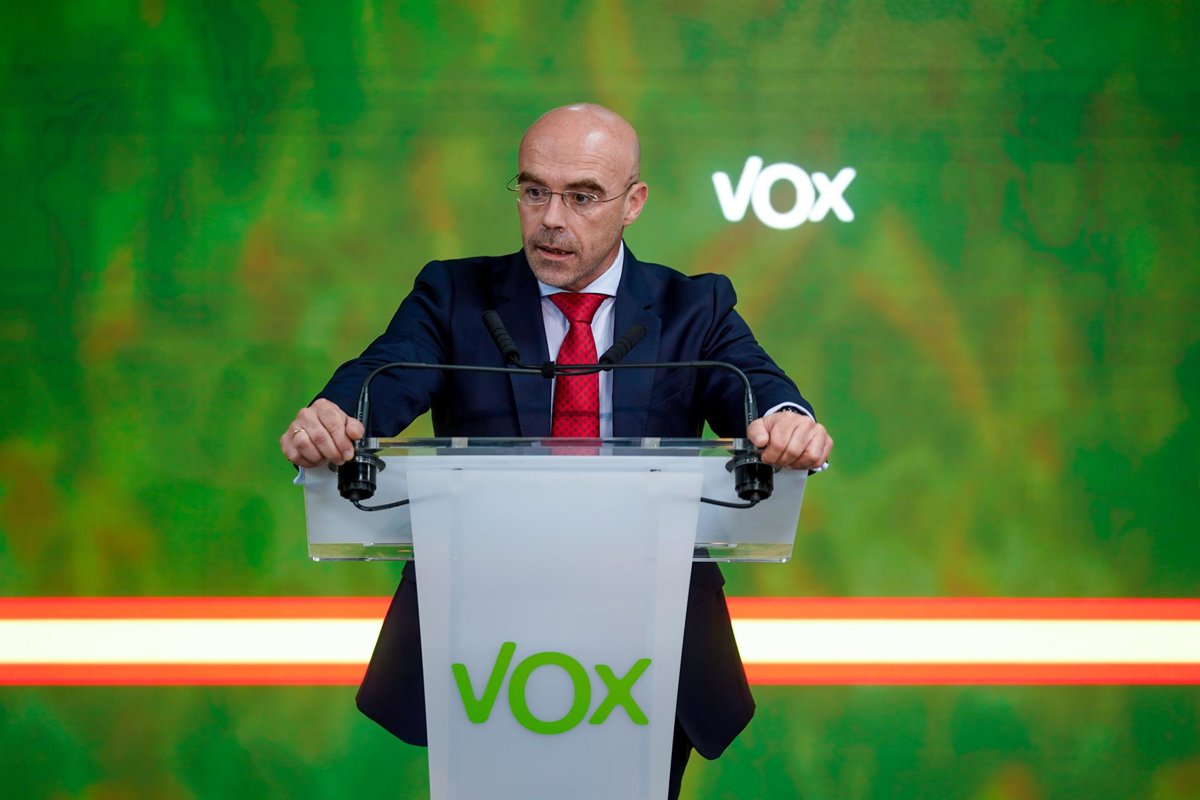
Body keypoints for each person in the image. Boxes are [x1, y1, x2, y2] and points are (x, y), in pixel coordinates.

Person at [281, 103, 833, 799]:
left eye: (582, 197)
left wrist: (788, 423)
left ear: (633, 202)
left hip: (647, 637)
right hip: (482, 640)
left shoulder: (694, 307)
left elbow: (757, 389)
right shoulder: (453, 295)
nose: (550, 218)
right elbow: (380, 378)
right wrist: (335, 419)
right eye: (534, 190)